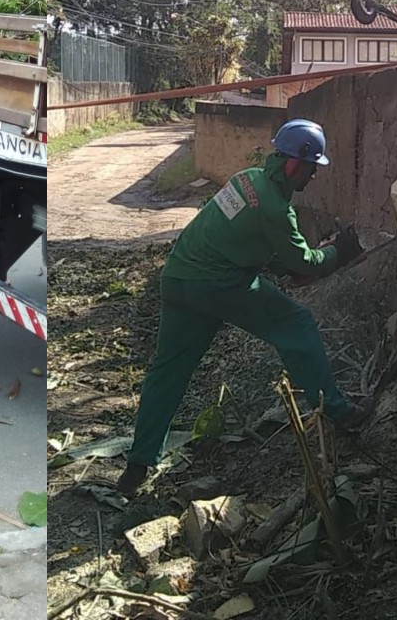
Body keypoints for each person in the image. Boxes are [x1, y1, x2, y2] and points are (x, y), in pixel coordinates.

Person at [116, 118, 369, 497]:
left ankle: (137, 466)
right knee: (296, 324)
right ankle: (337, 410)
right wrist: (341, 249)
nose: (314, 176)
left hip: (179, 277)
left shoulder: (247, 179)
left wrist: (279, 265)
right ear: (293, 164)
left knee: (168, 371)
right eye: (312, 167)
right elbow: (307, 264)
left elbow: (239, 235)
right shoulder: (276, 209)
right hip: (219, 284)